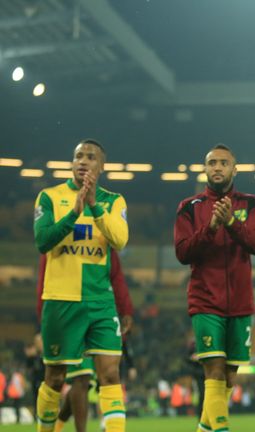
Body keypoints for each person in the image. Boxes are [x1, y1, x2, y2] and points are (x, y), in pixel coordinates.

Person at [33, 139, 129, 432]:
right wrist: (75, 212)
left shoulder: (114, 201)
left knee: (110, 375)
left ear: (101, 166)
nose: (83, 161)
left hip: (100, 300)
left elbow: (120, 240)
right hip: (62, 299)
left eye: (90, 157)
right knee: (55, 377)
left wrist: (94, 207)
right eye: (78, 156)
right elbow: (43, 241)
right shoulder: (49, 197)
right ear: (72, 162)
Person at [174, 144, 255, 432]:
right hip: (205, 302)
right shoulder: (190, 207)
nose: (217, 167)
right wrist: (212, 227)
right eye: (212, 162)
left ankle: (205, 428)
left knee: (229, 376)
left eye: (223, 163)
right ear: (205, 169)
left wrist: (230, 223)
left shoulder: (250, 204)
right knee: (213, 370)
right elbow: (182, 252)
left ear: (234, 169)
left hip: (240, 303)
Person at [34, 249, 133, 432]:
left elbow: (115, 271)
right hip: (66, 310)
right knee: (66, 379)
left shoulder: (104, 228)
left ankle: (69, 428)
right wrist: (41, 324)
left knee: (88, 379)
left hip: (97, 308)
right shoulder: (58, 227)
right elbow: (45, 274)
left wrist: (125, 307)